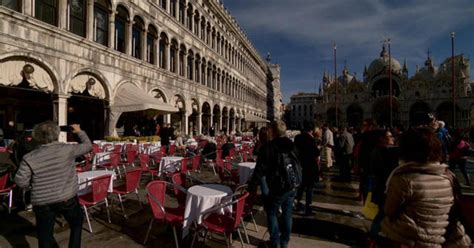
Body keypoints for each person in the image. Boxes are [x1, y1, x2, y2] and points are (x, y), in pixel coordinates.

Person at [380, 128, 471, 247]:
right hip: (439, 238)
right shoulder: (448, 176)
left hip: (411, 239)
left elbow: (389, 210)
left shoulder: (404, 178)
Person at [14, 121, 92, 248]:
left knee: (45, 235)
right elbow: (88, 146)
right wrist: (79, 131)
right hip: (67, 198)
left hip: (42, 202)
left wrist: (35, 185)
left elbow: (20, 181)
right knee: (77, 223)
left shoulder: (29, 157)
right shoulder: (67, 150)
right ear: (57, 134)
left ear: (36, 137)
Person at [248, 120, 296, 248]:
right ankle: (284, 241)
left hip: (278, 185)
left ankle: (274, 242)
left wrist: (251, 187)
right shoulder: (291, 145)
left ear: (273, 131)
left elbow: (259, 170)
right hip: (292, 184)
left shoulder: (268, 147)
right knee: (287, 213)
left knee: (271, 212)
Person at [368, 129, 399, 242]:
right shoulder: (380, 151)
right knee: (383, 212)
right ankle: (373, 234)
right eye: (390, 136)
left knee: (383, 212)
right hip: (384, 188)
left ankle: (375, 233)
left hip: (383, 187)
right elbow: (381, 171)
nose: (392, 138)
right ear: (381, 138)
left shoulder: (381, 150)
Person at [294, 125, 320, 215]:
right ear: (311, 131)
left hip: (300, 165)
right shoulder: (310, 139)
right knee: (309, 188)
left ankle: (298, 203)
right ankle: (308, 207)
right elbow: (316, 152)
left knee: (300, 186)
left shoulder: (297, 137)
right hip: (309, 166)